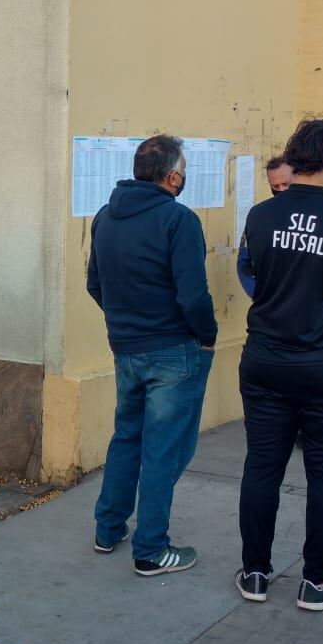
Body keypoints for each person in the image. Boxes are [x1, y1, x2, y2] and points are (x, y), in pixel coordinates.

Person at [236, 119, 323, 612]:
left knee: (261, 468)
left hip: (265, 361)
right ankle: (317, 583)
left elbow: (256, 277)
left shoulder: (259, 216)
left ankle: (255, 572)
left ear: (294, 158)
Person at [86, 134, 217, 577]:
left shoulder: (104, 216)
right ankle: (151, 549)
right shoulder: (178, 220)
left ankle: (108, 529)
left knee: (127, 438)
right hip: (173, 349)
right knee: (162, 450)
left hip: (127, 349)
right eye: (184, 172)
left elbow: (95, 285)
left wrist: (126, 322)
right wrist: (208, 335)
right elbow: (193, 295)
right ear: (174, 175)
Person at [236, 157, 293, 299]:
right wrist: (258, 295)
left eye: (286, 184)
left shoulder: (314, 212)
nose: (281, 190)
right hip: (268, 304)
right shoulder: (258, 215)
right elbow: (244, 261)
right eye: (275, 186)